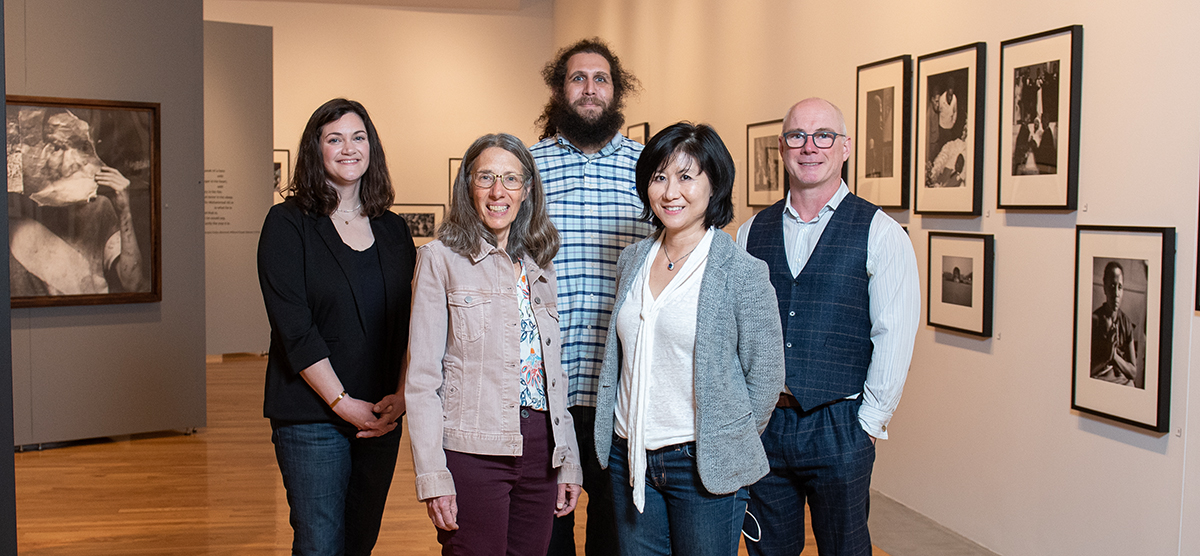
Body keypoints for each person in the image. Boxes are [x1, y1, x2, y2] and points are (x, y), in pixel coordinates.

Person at [737, 98, 920, 556]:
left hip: (840, 423)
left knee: (845, 548)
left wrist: (868, 425)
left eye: (824, 136)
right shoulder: (749, 231)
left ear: (845, 148)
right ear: (781, 147)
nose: (810, 147)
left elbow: (894, 333)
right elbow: (737, 330)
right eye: (797, 136)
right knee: (767, 550)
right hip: (765, 424)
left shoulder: (880, 232)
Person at [593, 122, 784, 556]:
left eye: (685, 176)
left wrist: (724, 438)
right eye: (659, 177)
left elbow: (767, 376)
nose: (669, 192)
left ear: (714, 183)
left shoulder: (741, 272)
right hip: (632, 455)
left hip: (700, 463)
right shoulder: (634, 260)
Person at [406, 133, 583, 555]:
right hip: (472, 451)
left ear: (527, 190)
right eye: (486, 177)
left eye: (510, 179)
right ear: (468, 185)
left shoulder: (539, 263)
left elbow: (553, 373)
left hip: (541, 448)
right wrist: (433, 476)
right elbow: (422, 380)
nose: (498, 191)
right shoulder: (439, 259)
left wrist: (568, 459)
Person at [257, 98, 415, 556]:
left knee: (360, 542)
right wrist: (343, 404)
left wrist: (402, 396)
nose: (349, 148)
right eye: (335, 139)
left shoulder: (393, 230)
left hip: (382, 414)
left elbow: (410, 323)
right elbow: (295, 329)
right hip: (313, 416)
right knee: (320, 544)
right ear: (316, 150)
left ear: (372, 148)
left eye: (358, 137)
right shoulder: (287, 223)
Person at [530, 37, 655, 556]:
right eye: (577, 78)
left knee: (614, 530)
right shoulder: (526, 166)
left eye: (600, 78)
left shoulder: (648, 169)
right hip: (543, 380)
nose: (589, 88)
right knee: (546, 528)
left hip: (620, 380)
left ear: (617, 91)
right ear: (560, 90)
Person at [8, 108, 148, 296]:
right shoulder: (17, 213)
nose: (70, 162)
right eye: (57, 147)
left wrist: (125, 211)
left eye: (82, 147)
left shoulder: (99, 209)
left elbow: (133, 284)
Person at [1091, 261, 1137, 386]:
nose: (1116, 293)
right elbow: (1086, 370)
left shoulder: (1126, 323)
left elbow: (1133, 372)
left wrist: (1114, 356)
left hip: (1122, 380)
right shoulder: (1094, 321)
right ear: (1104, 287)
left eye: (1120, 287)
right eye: (1111, 286)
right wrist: (1106, 356)